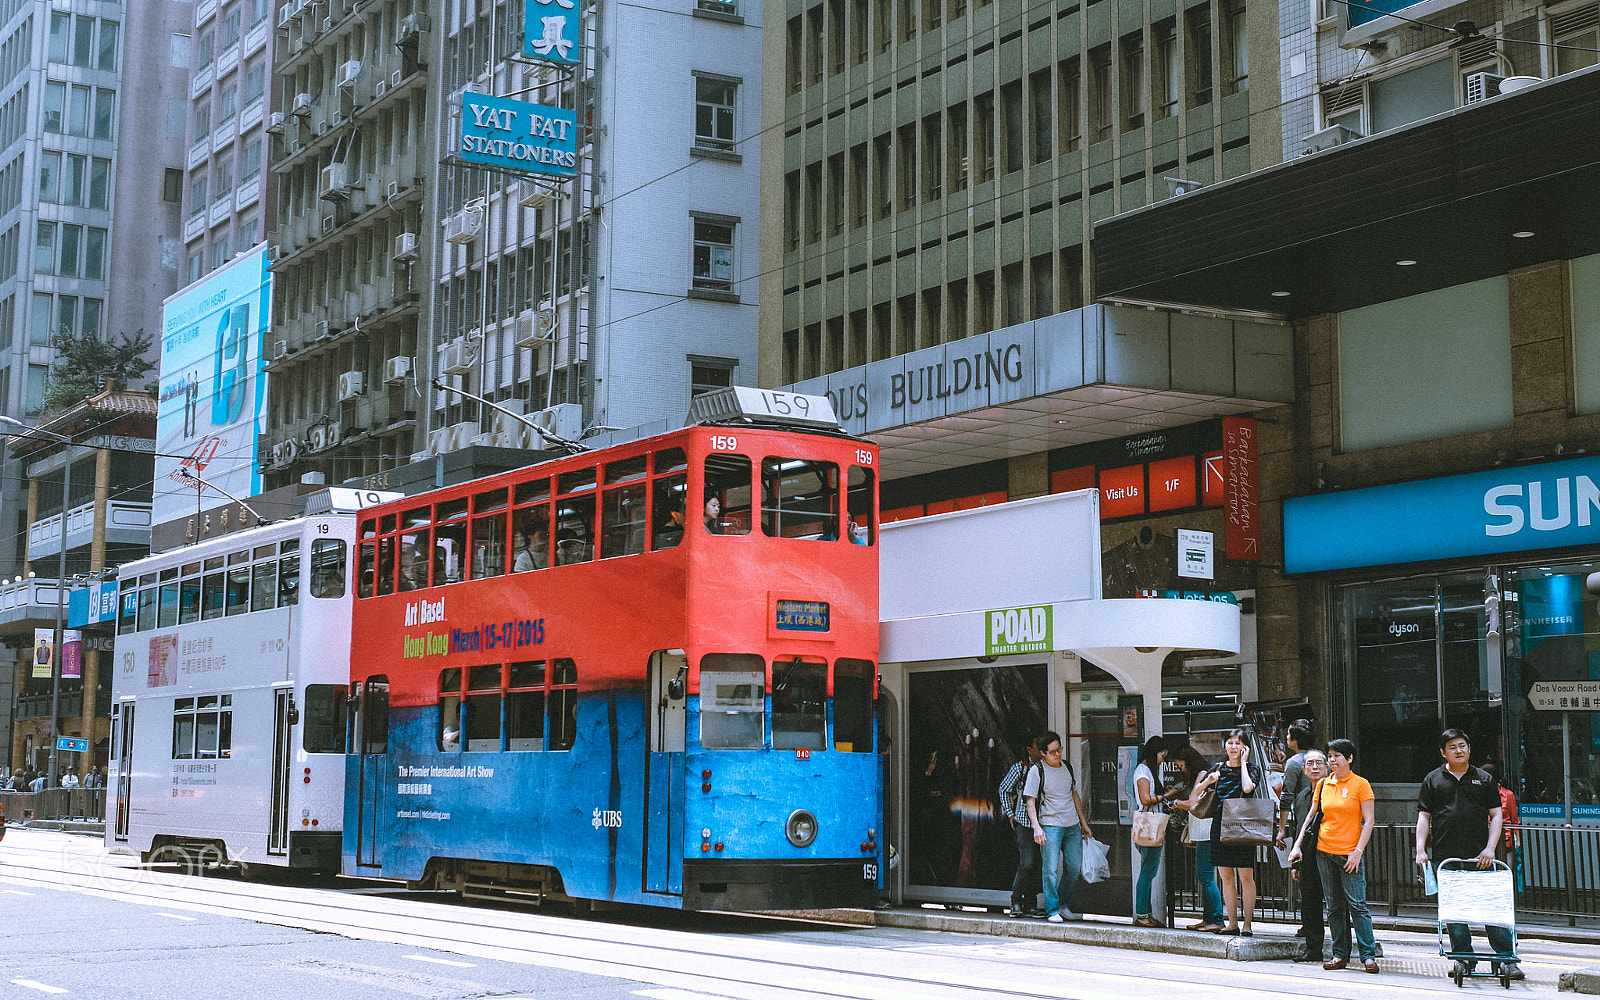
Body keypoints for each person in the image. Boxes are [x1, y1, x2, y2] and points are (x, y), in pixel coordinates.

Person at [1416, 730, 1522, 980]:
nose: (1459, 750)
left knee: (1490, 908)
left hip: (1481, 857)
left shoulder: (1483, 779)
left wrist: (1489, 848)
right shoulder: (1432, 779)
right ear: (1443, 752)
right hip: (1447, 857)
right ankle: (1464, 957)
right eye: (1452, 747)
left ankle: (1506, 957)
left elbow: (1496, 816)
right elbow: (1424, 817)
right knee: (1455, 912)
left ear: (1469, 749)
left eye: (1462, 746)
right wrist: (1421, 849)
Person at [1294, 738, 1378, 973]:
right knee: (1334, 906)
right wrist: (1298, 844)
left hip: (1350, 854)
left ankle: (1368, 956)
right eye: (1329, 756)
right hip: (1324, 851)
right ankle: (1340, 954)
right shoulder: (1322, 785)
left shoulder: (1361, 784)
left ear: (1349, 758)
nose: (1332, 761)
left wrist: (1357, 852)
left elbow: (1369, 820)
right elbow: (1311, 816)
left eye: (1336, 756)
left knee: (1358, 906)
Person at [1195, 728, 1261, 936]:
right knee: (1225, 876)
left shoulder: (1252, 768)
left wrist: (1242, 763)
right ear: (1224, 745)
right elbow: (1196, 793)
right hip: (1220, 825)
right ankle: (1232, 923)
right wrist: (1208, 781)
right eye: (1230, 743)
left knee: (1245, 875)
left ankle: (1247, 924)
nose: (1233, 747)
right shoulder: (1217, 768)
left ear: (1245, 747)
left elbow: (1248, 788)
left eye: (1238, 743)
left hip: (1242, 825)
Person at [1024, 730, 1094, 922]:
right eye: (1053, 752)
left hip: (1072, 825)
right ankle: (1052, 909)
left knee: (1074, 866)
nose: (1058, 755)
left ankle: (1062, 903)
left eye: (1059, 749)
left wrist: (1083, 823)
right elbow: (1030, 802)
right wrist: (1037, 828)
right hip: (1050, 825)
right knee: (1050, 869)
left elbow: (1074, 795)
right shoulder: (1036, 771)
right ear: (1043, 753)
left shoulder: (1067, 767)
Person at [1280, 749, 1329, 963]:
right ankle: (1313, 949)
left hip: (1331, 852)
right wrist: (1296, 864)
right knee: (1309, 902)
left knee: (1339, 903)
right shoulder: (1301, 796)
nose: (1315, 767)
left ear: (1327, 767)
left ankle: (1341, 949)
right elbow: (1299, 827)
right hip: (1307, 855)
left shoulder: (1333, 792)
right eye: (1310, 764)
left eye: (1319, 763)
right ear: (1303, 769)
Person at [1171, 743, 1225, 932]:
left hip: (1206, 831)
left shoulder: (1203, 774)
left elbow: (1193, 802)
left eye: (1180, 765)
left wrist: (1177, 803)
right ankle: (1208, 918)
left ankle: (1217, 918)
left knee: (1206, 876)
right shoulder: (1202, 774)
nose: (1181, 769)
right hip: (1203, 830)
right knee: (1204, 876)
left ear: (1188, 762)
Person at [1132, 734, 1182, 928]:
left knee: (1149, 871)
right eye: (1162, 755)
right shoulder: (1143, 772)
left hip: (1150, 827)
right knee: (1147, 872)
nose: (1163, 760)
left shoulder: (1148, 770)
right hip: (1149, 826)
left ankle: (1147, 913)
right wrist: (1167, 796)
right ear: (1154, 753)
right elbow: (1145, 799)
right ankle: (1142, 914)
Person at [997, 735, 1044, 918]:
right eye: (1037, 747)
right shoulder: (1021, 768)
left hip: (1044, 822)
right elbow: (1003, 788)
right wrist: (1010, 813)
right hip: (1024, 822)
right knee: (1027, 862)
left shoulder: (1047, 768)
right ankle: (1016, 900)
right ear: (1029, 749)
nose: (1040, 751)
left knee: (1037, 864)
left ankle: (1030, 904)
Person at [1482, 762, 1520, 863]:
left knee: (1506, 867)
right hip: (1484, 839)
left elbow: (1514, 820)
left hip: (1505, 840)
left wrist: (1518, 840)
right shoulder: (1479, 794)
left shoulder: (1508, 795)